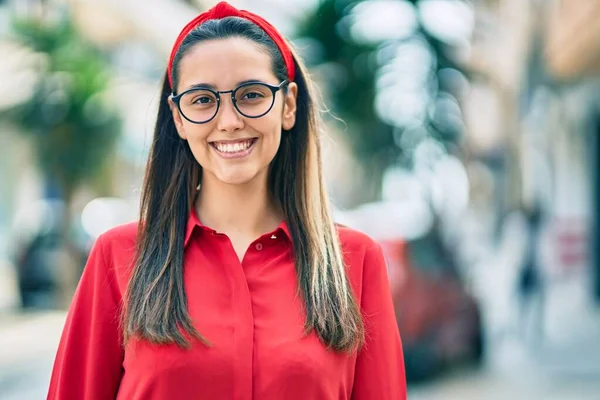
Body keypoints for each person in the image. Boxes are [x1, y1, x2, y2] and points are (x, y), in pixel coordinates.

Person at [47, 2, 406, 399]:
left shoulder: (356, 261)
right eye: (202, 100)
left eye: (251, 95)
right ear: (178, 117)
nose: (230, 120)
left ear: (287, 105)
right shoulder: (118, 257)